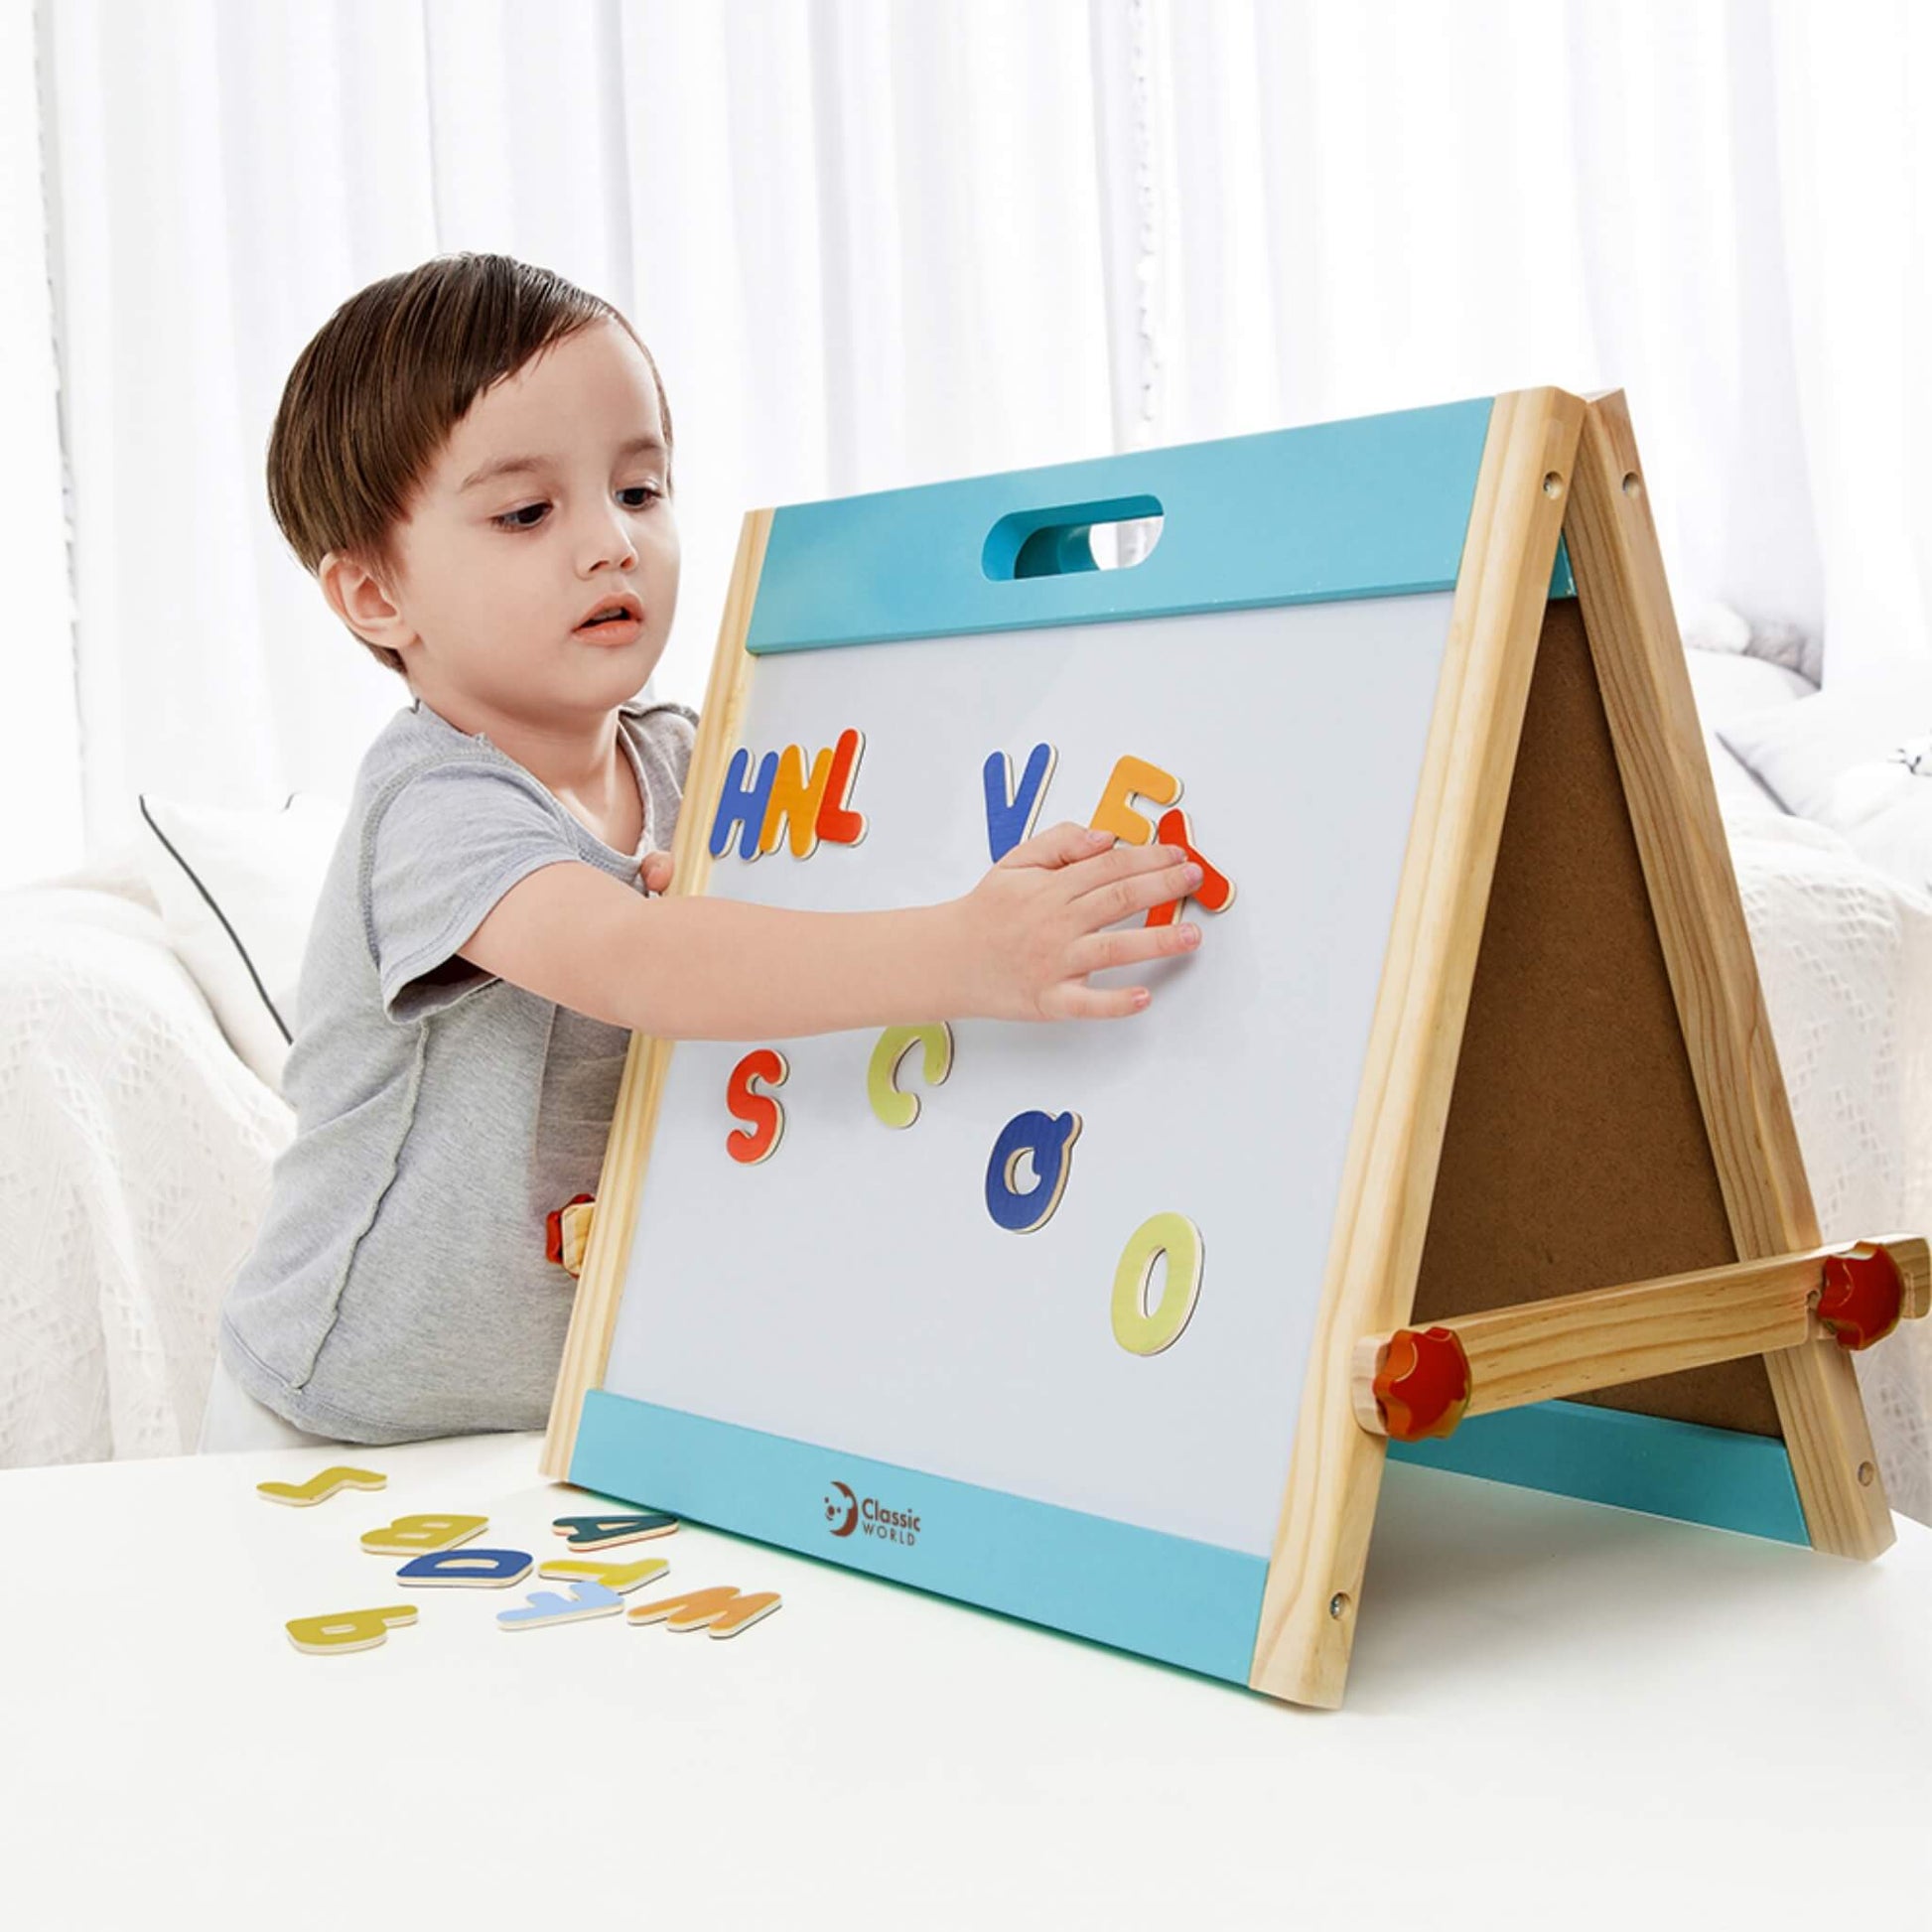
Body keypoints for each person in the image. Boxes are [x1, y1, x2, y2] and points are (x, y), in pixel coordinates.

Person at [199, 252, 1205, 1453]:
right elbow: (635, 957)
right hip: (339, 1411)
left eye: (638, 490)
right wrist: (966, 951)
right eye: (528, 512)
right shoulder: (432, 802)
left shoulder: (696, 761)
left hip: (582, 1398)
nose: (608, 544)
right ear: (373, 596)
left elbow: (831, 885)